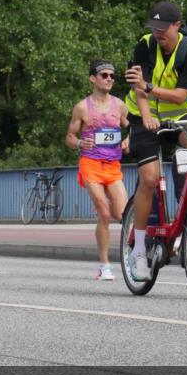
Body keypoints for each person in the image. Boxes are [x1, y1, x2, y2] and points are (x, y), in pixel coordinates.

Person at [123, 1, 187, 280]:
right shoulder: (144, 45)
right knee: (149, 178)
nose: (157, 32)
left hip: (177, 118)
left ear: (177, 26)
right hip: (142, 117)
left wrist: (150, 87)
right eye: (153, 27)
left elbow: (182, 96)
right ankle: (139, 251)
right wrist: (145, 116)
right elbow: (138, 87)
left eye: (162, 28)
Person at [65, 60, 130, 281]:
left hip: (113, 165)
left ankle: (130, 256)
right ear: (93, 78)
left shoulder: (120, 105)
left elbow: (128, 127)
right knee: (104, 213)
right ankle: (104, 266)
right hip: (90, 164)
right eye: (104, 75)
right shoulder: (82, 107)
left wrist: (127, 140)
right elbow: (70, 137)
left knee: (124, 215)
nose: (110, 78)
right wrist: (79, 144)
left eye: (112, 75)